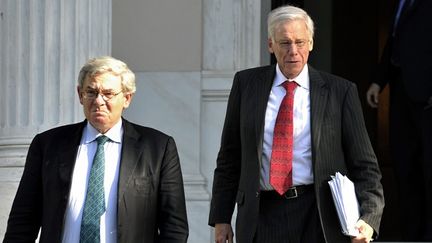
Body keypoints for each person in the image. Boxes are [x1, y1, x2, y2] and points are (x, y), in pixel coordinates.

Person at [209, 5, 384, 243]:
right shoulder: (247, 84)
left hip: (319, 215)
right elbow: (229, 157)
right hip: (261, 214)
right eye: (285, 43)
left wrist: (369, 217)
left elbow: (365, 165)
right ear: (270, 45)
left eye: (300, 42)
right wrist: (221, 218)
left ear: (311, 43)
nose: (294, 51)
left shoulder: (340, 91)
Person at [3, 56, 189, 242]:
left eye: (108, 93)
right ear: (80, 95)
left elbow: (174, 227)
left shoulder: (158, 148)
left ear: (127, 98)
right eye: (91, 92)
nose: (98, 101)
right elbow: (23, 219)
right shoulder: (48, 145)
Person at [366, 0, 432, 241]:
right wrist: (378, 81)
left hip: (428, 98)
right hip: (402, 96)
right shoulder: (401, 2)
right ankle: (412, 235)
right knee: (406, 168)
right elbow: (396, 41)